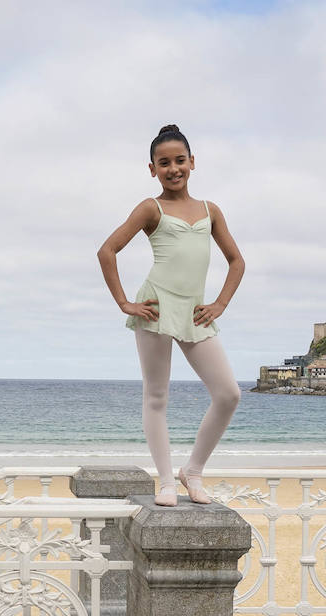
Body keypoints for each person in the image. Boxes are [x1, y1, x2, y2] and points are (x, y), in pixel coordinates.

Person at [97, 123, 245, 506]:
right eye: (164, 163)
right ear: (152, 169)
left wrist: (220, 304)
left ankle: (192, 471)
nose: (173, 168)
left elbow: (236, 261)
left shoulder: (211, 211)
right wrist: (125, 303)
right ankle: (165, 481)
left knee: (228, 394)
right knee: (157, 396)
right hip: (155, 309)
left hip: (195, 314)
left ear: (193, 162)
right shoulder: (151, 208)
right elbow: (107, 251)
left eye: (180, 160)